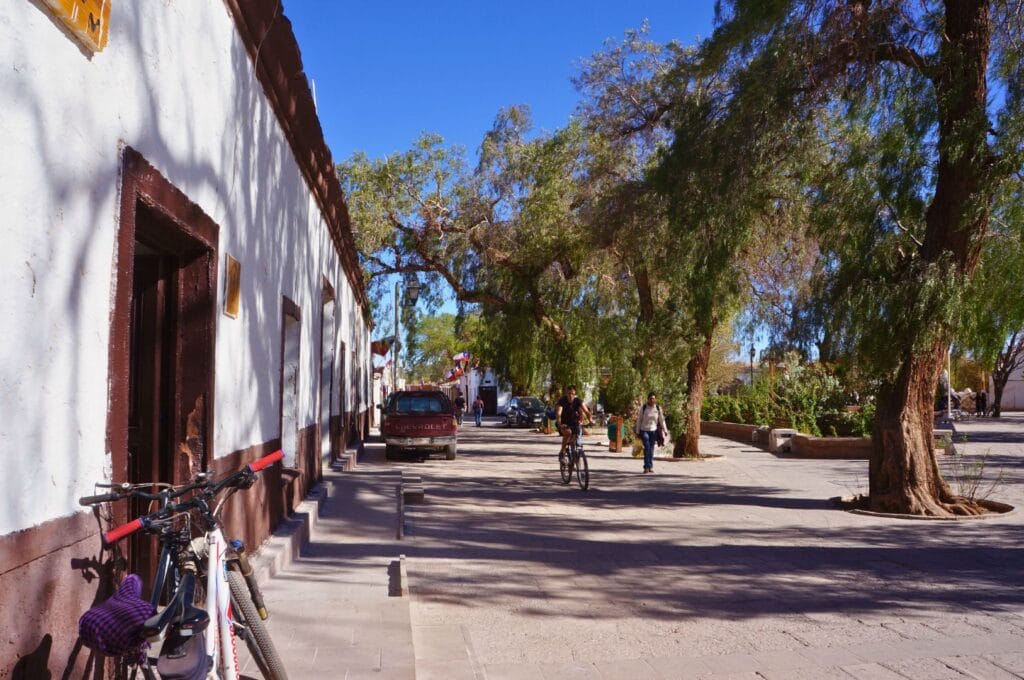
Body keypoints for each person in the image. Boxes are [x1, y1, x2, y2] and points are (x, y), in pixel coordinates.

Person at [634, 392, 668, 474]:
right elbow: (639, 420)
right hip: (644, 430)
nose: (652, 400)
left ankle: (650, 466)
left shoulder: (658, 408)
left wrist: (665, 430)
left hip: (653, 431)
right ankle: (646, 466)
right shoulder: (644, 408)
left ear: (655, 399)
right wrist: (637, 431)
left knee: (651, 448)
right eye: (651, 398)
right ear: (648, 399)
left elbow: (661, 420)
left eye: (654, 398)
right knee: (647, 447)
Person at [555, 385, 591, 460]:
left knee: (575, 439)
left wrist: (590, 420)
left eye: (572, 394)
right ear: (566, 393)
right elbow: (558, 413)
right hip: (563, 424)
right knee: (568, 432)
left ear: (575, 394)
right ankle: (562, 451)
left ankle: (574, 460)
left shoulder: (578, 401)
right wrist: (559, 424)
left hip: (574, 424)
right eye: (569, 393)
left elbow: (586, 411)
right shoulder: (562, 401)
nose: (570, 395)